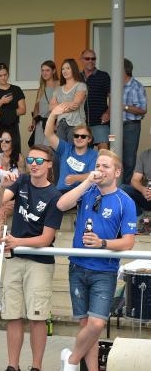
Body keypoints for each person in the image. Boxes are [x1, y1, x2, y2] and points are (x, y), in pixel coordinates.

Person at [57, 150, 136, 371]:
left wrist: (103, 243)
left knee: (97, 324)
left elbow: (128, 242)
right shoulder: (88, 191)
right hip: (78, 266)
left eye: (106, 167)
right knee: (86, 326)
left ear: (117, 172)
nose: (100, 170)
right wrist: (86, 182)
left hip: (104, 270)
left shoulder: (125, 201)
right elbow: (62, 205)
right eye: (98, 166)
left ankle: (71, 360)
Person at [0, 144, 64, 371]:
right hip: (14, 258)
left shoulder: (55, 195)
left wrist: (17, 242)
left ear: (49, 165)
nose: (34, 164)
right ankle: (13, 366)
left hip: (39, 263)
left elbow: (45, 239)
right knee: (13, 316)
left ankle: (36, 367)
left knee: (37, 317)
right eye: (31, 160)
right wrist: (2, 184)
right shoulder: (21, 181)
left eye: (40, 161)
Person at [45, 104, 98, 193]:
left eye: (83, 136)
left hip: (82, 193)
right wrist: (53, 114)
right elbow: (48, 134)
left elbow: (94, 175)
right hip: (62, 191)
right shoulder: (65, 148)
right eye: (76, 136)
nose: (79, 138)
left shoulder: (94, 155)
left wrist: (76, 178)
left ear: (89, 139)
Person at [0, 130, 25, 242]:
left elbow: (22, 181)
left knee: (0, 208)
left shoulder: (19, 158)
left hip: (15, 197)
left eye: (7, 141)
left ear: (13, 142)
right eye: (1, 140)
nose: (3, 143)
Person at [0, 62, 26, 148]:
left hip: (13, 127)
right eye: (0, 76)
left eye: (5, 75)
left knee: (14, 154)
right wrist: (1, 102)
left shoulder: (16, 89)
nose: (3, 77)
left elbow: (23, 110)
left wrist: (7, 114)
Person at [121, 58, 147, 184]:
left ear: (124, 70)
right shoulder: (117, 85)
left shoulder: (136, 86)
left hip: (131, 127)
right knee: (115, 157)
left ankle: (126, 190)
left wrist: (124, 107)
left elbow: (143, 110)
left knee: (129, 160)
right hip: (116, 126)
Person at [49, 59, 87, 143]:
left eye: (68, 68)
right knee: (61, 152)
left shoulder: (81, 85)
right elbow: (51, 108)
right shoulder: (58, 89)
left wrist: (59, 107)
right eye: (63, 69)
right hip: (61, 125)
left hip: (76, 125)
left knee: (73, 152)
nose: (65, 71)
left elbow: (75, 105)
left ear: (73, 69)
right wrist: (67, 104)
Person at [80, 49, 110, 150]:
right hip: (81, 124)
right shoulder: (77, 77)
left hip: (100, 122)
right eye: (87, 58)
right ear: (82, 60)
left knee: (104, 152)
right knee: (83, 156)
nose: (90, 61)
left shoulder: (104, 76)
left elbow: (113, 97)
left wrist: (108, 113)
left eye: (93, 58)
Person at [120, 145, 151, 232]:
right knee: (123, 189)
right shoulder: (145, 155)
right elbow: (134, 180)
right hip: (147, 195)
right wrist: (143, 190)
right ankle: (140, 218)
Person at [29, 60, 58, 147]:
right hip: (40, 124)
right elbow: (37, 106)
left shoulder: (59, 86)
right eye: (42, 70)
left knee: (50, 149)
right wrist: (33, 122)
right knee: (39, 148)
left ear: (54, 71)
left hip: (52, 123)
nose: (44, 73)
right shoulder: (41, 88)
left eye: (47, 70)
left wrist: (57, 124)